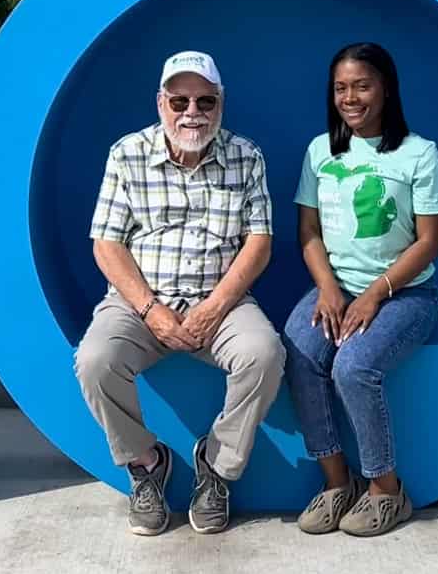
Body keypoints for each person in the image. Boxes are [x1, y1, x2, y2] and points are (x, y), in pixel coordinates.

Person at [75, 51, 286, 536]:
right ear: (160, 102)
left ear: (221, 103)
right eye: (180, 100)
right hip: (140, 299)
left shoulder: (246, 156)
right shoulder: (126, 154)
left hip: (221, 299)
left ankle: (216, 466)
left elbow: (259, 242)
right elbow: (106, 244)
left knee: (264, 354)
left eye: (205, 100)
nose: (192, 112)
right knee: (95, 360)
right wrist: (150, 310)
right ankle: (146, 464)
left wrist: (215, 306)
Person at [282, 42, 438, 537]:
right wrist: (328, 289)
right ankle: (338, 483)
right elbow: (308, 233)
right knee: (299, 352)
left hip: (405, 294)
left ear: (387, 89)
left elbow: (430, 241)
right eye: (340, 88)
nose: (350, 97)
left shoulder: (420, 154)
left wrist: (375, 293)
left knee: (353, 366)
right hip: (337, 289)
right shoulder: (320, 151)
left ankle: (386, 491)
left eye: (361, 85)